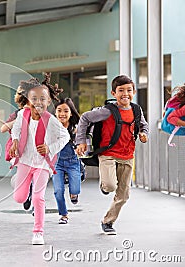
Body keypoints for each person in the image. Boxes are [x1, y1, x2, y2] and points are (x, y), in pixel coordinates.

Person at [75, 75, 148, 235]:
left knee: (124, 195)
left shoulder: (136, 109)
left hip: (127, 156)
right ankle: (104, 185)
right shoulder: (107, 111)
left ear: (134, 91)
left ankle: (108, 222)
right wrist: (81, 141)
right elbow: (85, 118)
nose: (125, 94)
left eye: (129, 90)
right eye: (121, 90)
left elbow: (143, 124)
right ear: (113, 93)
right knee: (110, 186)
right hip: (108, 154)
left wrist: (143, 133)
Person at [9, 78, 70, 245]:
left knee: (38, 197)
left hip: (42, 164)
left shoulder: (51, 120)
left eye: (42, 99)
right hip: (25, 161)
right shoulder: (22, 114)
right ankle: (22, 185)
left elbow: (66, 136)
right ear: (28, 100)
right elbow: (16, 129)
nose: (38, 102)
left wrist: (50, 148)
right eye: (34, 99)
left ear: (49, 100)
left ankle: (38, 232)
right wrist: (15, 139)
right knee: (20, 198)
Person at [52, 98, 81, 225]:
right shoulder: (51, 127)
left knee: (75, 190)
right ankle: (64, 215)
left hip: (73, 162)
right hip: (57, 163)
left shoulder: (76, 127)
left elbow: (83, 141)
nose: (62, 114)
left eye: (65, 111)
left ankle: (74, 195)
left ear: (71, 113)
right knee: (58, 191)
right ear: (55, 113)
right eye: (59, 110)